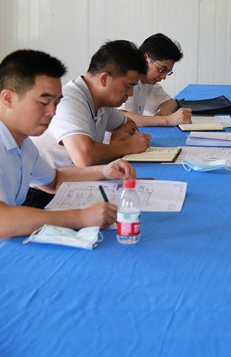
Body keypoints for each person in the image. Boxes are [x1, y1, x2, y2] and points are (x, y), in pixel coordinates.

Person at [0, 50, 135, 237]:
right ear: (8, 98)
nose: (52, 112)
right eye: (44, 102)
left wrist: (104, 171)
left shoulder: (24, 144)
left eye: (56, 103)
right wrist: (80, 218)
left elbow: (54, 180)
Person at [34, 40, 151, 168]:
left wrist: (117, 137)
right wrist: (126, 146)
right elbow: (85, 158)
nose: (131, 93)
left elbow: (129, 124)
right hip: (49, 179)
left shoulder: (103, 103)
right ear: (104, 79)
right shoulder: (68, 100)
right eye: (128, 86)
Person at [120, 33, 191, 127]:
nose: (164, 77)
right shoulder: (124, 79)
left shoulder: (148, 82)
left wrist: (160, 120)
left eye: (167, 72)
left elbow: (170, 103)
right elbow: (121, 117)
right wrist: (167, 120)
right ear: (146, 58)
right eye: (162, 70)